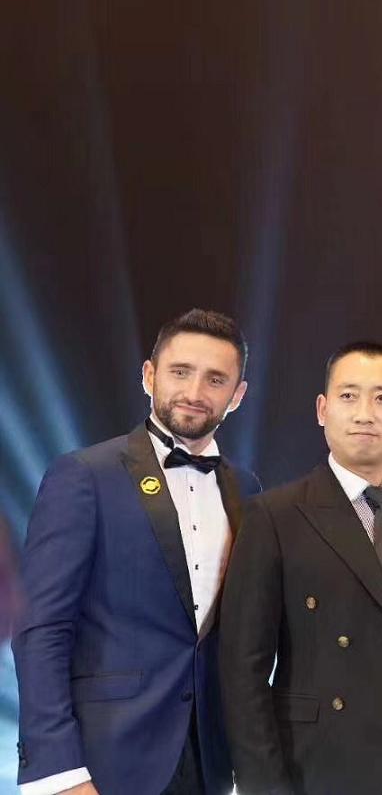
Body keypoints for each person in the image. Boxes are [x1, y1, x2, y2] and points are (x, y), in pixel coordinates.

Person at [13, 308, 260, 795]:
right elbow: (41, 628)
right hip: (103, 762)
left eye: (215, 379)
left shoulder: (247, 489)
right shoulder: (84, 476)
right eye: (180, 372)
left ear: (237, 395)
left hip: (210, 764)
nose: (194, 391)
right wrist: (58, 771)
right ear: (149, 376)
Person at [220, 341, 382, 794]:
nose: (365, 414)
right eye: (349, 396)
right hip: (316, 764)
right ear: (322, 409)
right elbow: (242, 669)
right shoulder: (276, 515)